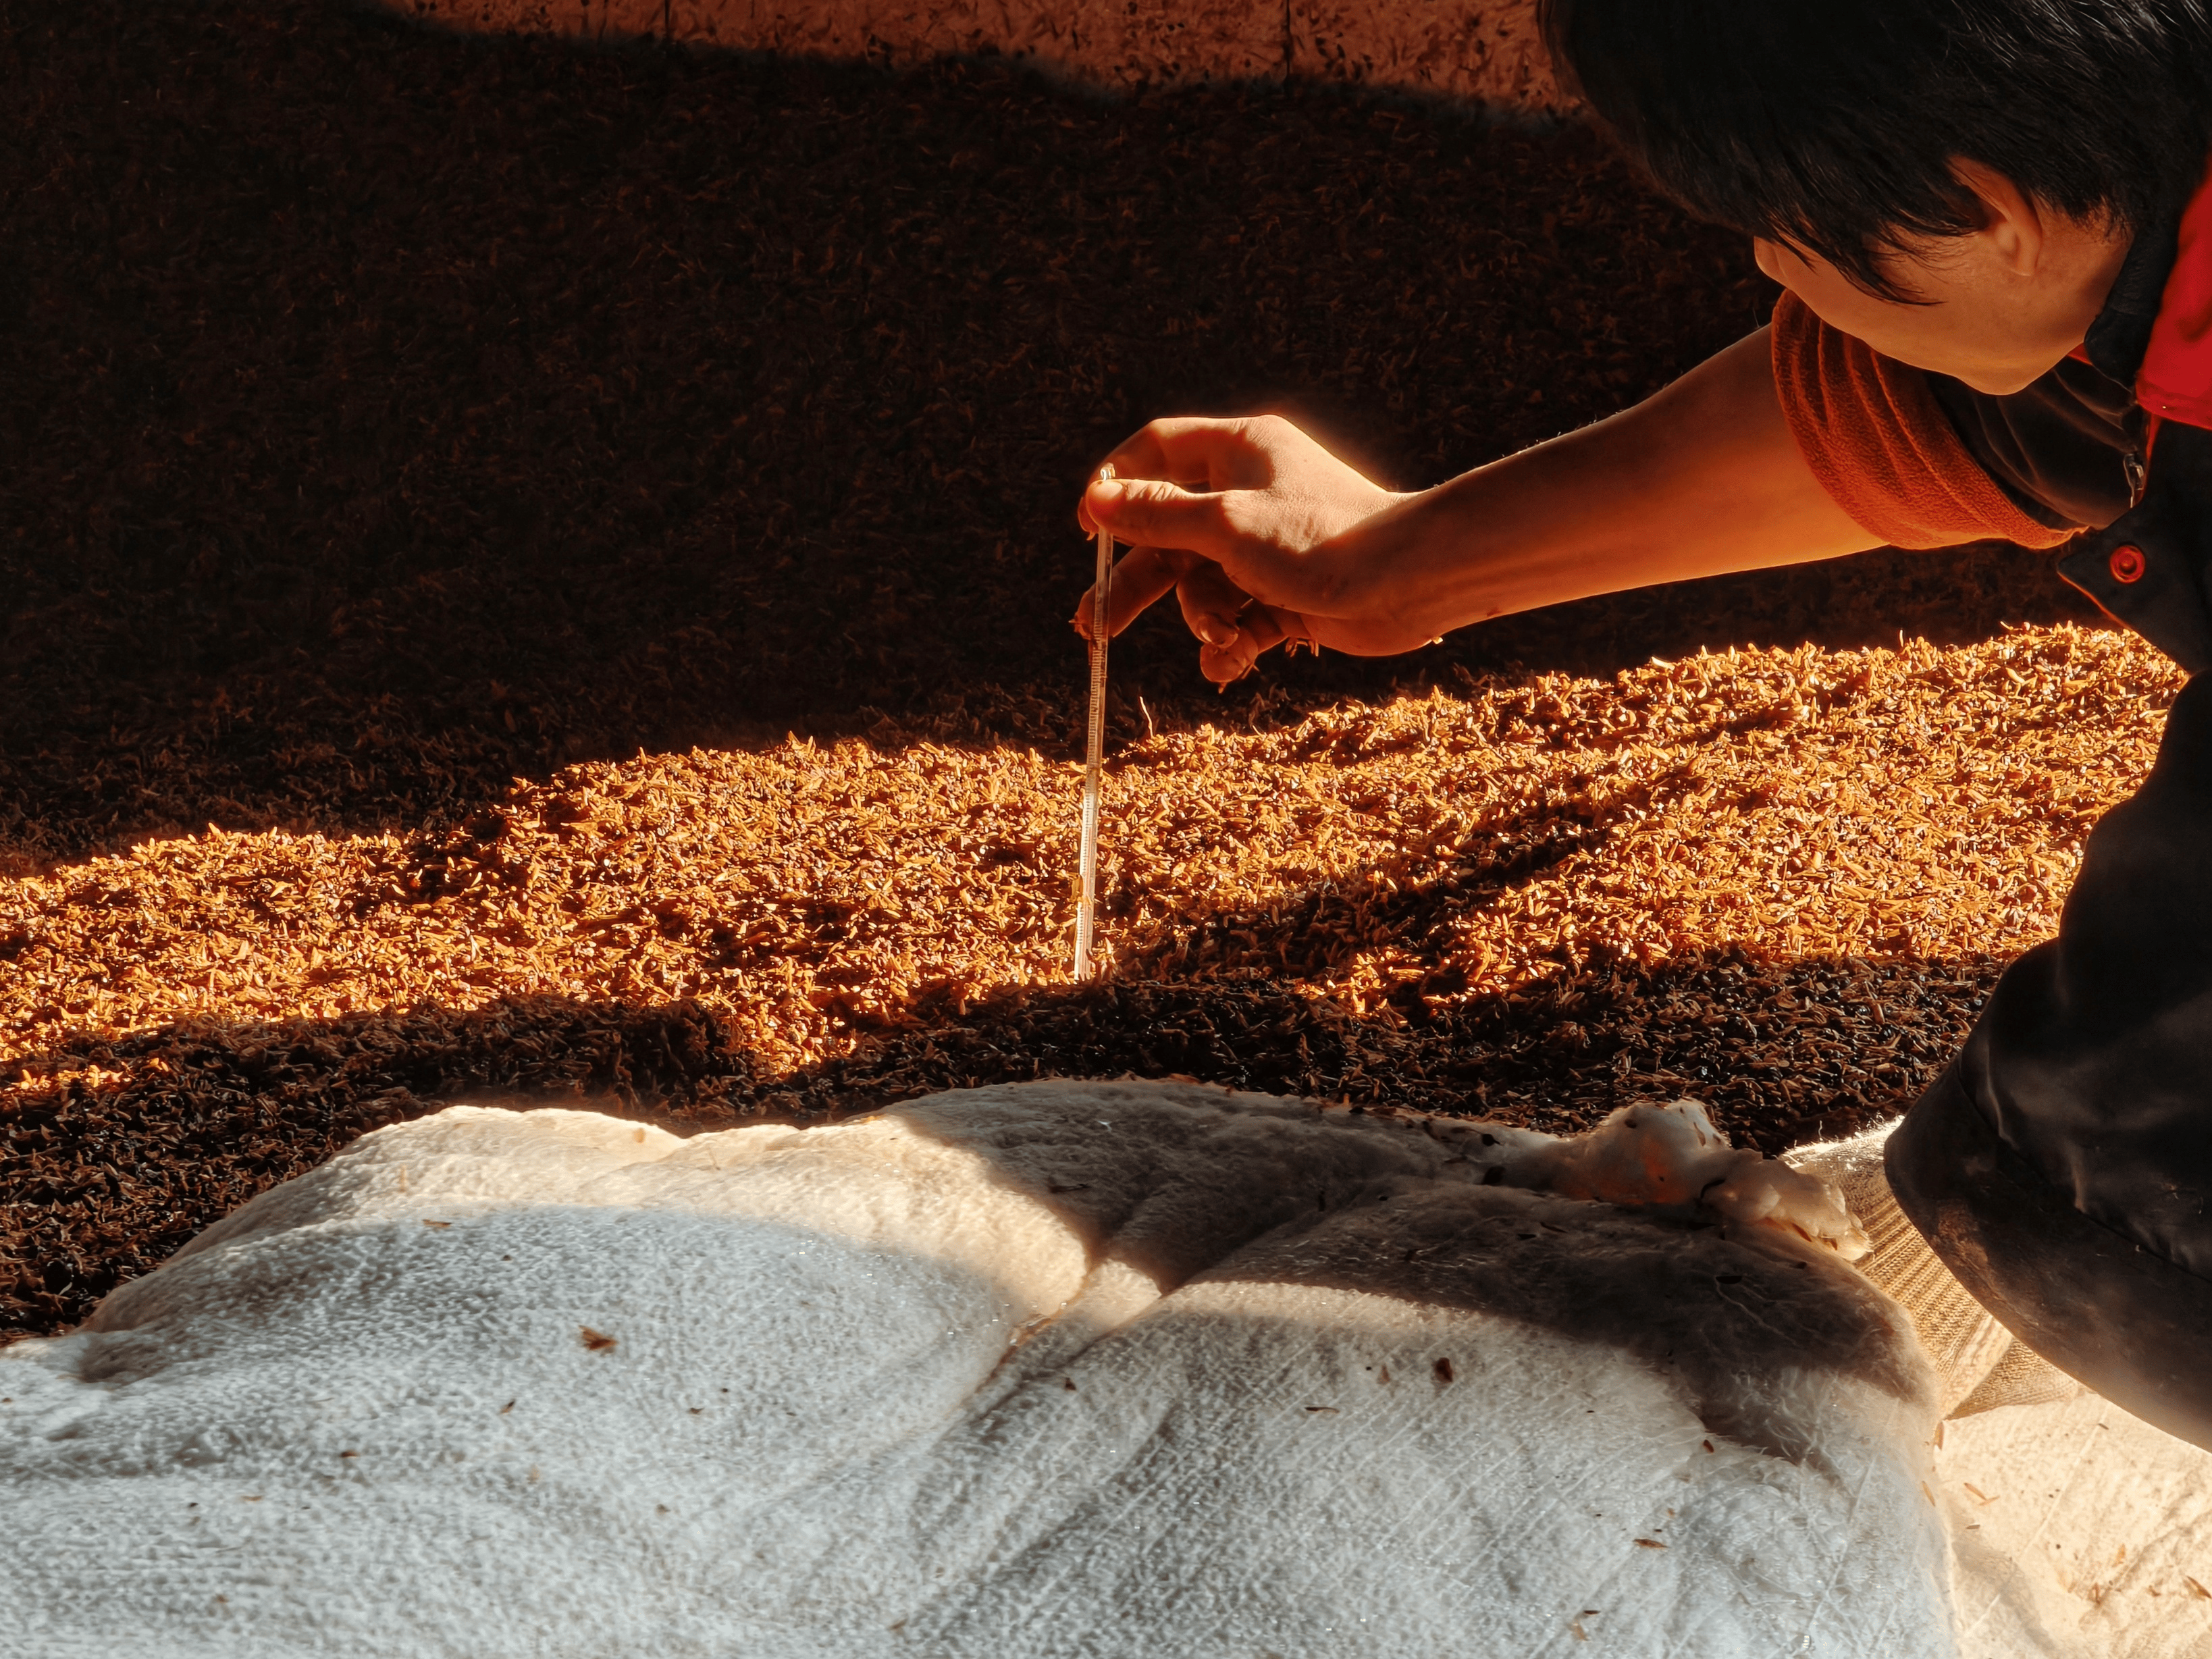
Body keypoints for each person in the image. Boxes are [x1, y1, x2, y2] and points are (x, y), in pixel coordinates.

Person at [1072, 0, 2212, 1450]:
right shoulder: (2125, 214)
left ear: (1989, 205)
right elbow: (1969, 401)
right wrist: (1401, 560)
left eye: (1789, 237)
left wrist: (2009, 1200)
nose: (1765, 267)